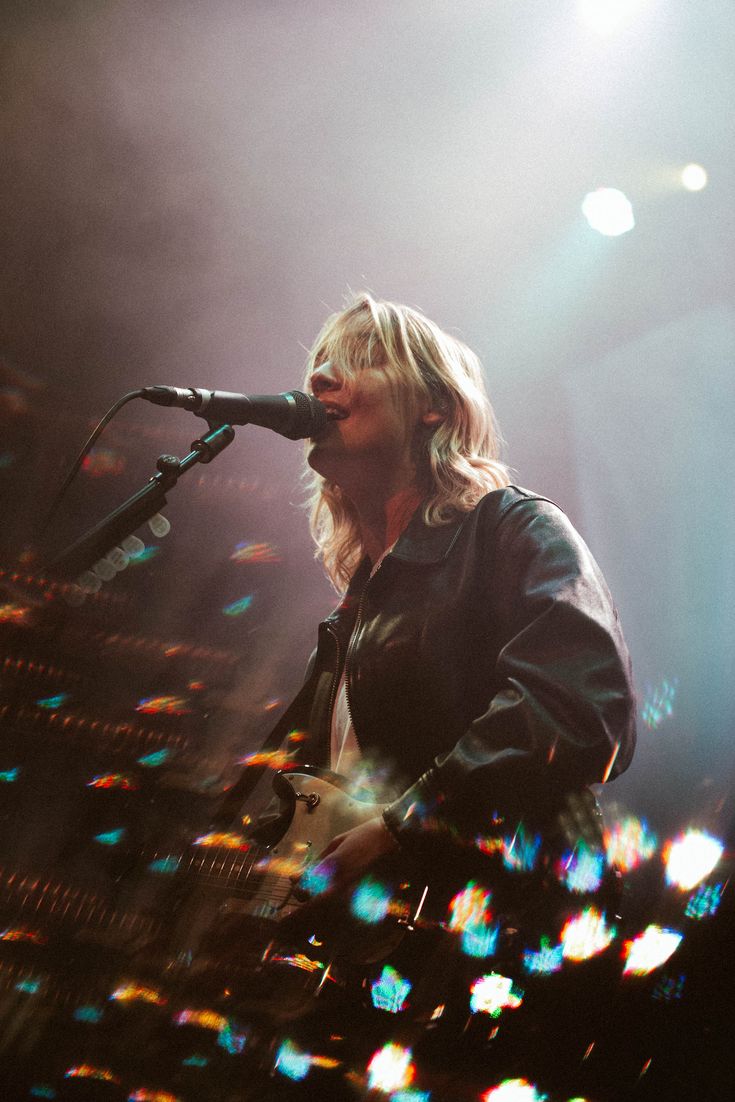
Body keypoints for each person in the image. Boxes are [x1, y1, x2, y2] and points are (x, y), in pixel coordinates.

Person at [261, 291, 636, 895]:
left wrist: (401, 827)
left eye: (360, 357)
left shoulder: (514, 531)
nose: (319, 376)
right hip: (382, 944)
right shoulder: (353, 617)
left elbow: (578, 708)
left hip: (498, 929)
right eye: (321, 361)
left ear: (433, 405)